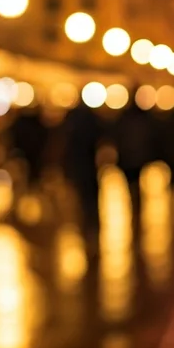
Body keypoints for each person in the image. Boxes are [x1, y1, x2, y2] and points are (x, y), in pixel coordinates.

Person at [61, 101, 102, 242]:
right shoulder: (92, 121)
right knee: (90, 198)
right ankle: (92, 225)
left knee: (83, 197)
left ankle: (86, 225)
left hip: (80, 167)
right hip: (89, 167)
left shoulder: (71, 125)